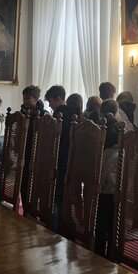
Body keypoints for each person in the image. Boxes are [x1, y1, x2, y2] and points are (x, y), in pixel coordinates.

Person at [44, 85, 81, 230]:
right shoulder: (77, 115)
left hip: (59, 161)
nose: (50, 105)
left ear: (59, 99)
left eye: (51, 101)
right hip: (73, 161)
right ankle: (66, 226)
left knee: (57, 196)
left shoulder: (59, 116)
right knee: (68, 197)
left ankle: (57, 226)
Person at [94, 99, 122, 257]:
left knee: (101, 220)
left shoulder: (97, 129)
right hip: (118, 183)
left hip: (101, 181)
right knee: (114, 221)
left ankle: (98, 252)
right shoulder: (124, 131)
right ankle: (113, 253)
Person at [20, 85, 47, 212]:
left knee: (37, 184)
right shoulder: (21, 113)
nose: (25, 100)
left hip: (39, 154)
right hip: (24, 152)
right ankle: (26, 210)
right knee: (24, 182)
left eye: (28, 98)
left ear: (36, 99)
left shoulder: (44, 115)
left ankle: (36, 210)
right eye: (24, 97)